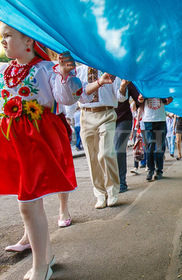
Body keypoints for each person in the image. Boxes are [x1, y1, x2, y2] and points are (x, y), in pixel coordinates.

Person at [0, 23, 90, 280]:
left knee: (27, 204)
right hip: (12, 143)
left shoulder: (45, 69)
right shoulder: (5, 70)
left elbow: (67, 98)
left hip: (36, 144)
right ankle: (44, 255)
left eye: (8, 36)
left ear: (29, 41)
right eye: (2, 36)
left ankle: (41, 265)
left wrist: (64, 73)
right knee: (29, 202)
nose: (3, 41)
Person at [77, 65, 129, 209]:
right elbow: (78, 94)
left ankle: (112, 190)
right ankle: (100, 193)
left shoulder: (109, 67)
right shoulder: (79, 70)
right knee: (92, 157)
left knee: (106, 153)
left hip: (106, 114)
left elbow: (120, 97)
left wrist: (123, 86)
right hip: (86, 114)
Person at [138, 94, 173, 181]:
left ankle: (159, 170)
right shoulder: (144, 86)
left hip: (160, 119)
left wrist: (169, 100)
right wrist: (140, 98)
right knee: (150, 146)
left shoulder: (161, 85)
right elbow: (139, 100)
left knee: (159, 147)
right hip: (148, 120)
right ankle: (150, 170)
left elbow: (166, 101)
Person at [114, 83, 141, 193]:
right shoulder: (102, 75)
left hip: (123, 119)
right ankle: (108, 182)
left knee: (118, 150)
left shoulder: (126, 80)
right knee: (105, 152)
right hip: (105, 118)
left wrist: (140, 99)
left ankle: (121, 182)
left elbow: (138, 100)